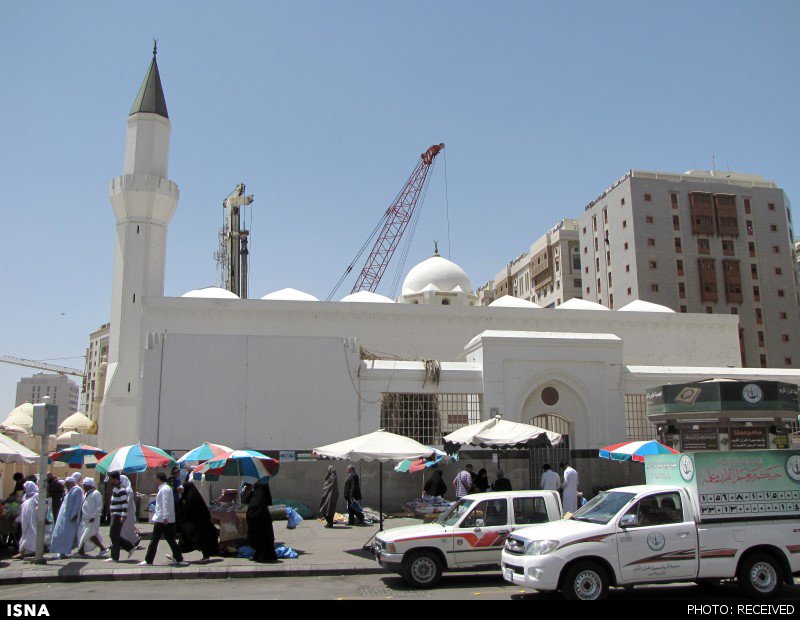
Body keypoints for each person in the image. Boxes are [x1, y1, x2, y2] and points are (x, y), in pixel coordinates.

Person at [140, 472, 184, 566]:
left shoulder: (164, 489)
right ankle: (179, 557)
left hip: (162, 519)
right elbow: (163, 504)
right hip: (165, 518)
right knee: (170, 538)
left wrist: (165, 517)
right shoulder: (166, 488)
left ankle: (148, 560)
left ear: (159, 479)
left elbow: (165, 503)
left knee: (155, 539)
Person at [179, 481, 219, 561]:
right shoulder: (194, 496)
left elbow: (188, 509)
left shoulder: (190, 497)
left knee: (192, 538)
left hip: (196, 523)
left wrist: (183, 518)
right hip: (201, 522)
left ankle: (177, 554)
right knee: (202, 539)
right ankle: (205, 556)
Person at [49, 476, 82, 558]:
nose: (66, 485)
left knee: (66, 535)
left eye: (67, 483)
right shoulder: (69, 491)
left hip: (70, 518)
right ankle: (61, 552)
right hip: (64, 517)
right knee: (60, 534)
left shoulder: (76, 490)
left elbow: (77, 503)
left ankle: (63, 552)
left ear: (72, 483)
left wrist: (74, 514)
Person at [245, 479, 277, 562]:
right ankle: (265, 554)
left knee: (255, 534)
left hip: (253, 511)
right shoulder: (264, 482)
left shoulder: (249, 482)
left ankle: (260, 554)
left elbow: (245, 499)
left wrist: (245, 491)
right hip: (263, 511)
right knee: (265, 533)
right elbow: (269, 500)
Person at [106, 471, 135, 562]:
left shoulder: (121, 489)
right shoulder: (116, 488)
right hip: (115, 514)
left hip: (118, 515)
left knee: (113, 535)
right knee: (114, 535)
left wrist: (123, 515)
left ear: (115, 479)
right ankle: (129, 547)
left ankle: (115, 556)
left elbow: (124, 503)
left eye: (111, 479)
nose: (110, 481)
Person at [77, 478, 107, 557]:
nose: (84, 487)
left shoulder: (96, 493)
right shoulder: (86, 494)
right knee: (82, 534)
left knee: (89, 535)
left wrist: (93, 516)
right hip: (85, 518)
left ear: (90, 485)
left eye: (85, 485)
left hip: (92, 519)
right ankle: (81, 551)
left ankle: (102, 548)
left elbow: (99, 506)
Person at [13, 481, 39, 559]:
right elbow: (22, 509)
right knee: (25, 535)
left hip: (33, 519)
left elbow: (42, 505)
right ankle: (24, 552)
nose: (24, 489)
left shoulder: (36, 495)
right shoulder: (25, 496)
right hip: (25, 519)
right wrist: (17, 520)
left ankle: (26, 552)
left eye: (25, 488)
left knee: (31, 535)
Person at [119, 475, 140, 549]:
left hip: (128, 512)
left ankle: (134, 540)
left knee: (128, 528)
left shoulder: (129, 491)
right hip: (125, 512)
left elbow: (127, 502)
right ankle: (126, 543)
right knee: (123, 529)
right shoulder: (122, 490)